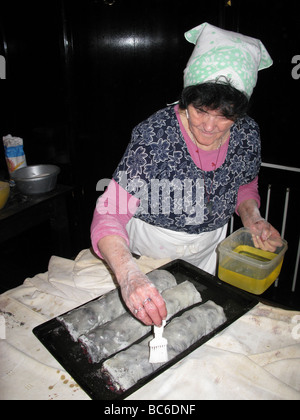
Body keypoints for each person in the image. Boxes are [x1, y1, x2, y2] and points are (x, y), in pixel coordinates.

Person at [91, 22, 282, 327]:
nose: (209, 126)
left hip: (208, 252)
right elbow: (110, 213)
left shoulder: (247, 134)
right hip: (149, 255)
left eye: (224, 116)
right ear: (186, 98)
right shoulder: (155, 134)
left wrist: (253, 219)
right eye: (200, 110)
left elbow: (245, 186)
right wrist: (128, 276)